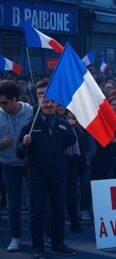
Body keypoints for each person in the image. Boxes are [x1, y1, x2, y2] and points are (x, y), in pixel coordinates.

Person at [15, 81, 77, 258]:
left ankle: (58, 243)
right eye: (45, 101)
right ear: (40, 102)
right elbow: (19, 152)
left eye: (52, 102)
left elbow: (70, 141)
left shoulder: (63, 124)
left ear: (56, 103)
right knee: (37, 213)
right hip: (37, 177)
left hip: (58, 176)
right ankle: (38, 247)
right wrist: (23, 144)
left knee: (58, 211)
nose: (49, 105)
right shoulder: (30, 125)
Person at [0, 80, 34, 252]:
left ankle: (43, 237)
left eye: (5, 102)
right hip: (8, 164)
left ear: (15, 99)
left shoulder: (31, 112)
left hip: (30, 164)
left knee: (36, 201)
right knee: (14, 203)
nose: (2, 106)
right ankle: (16, 237)